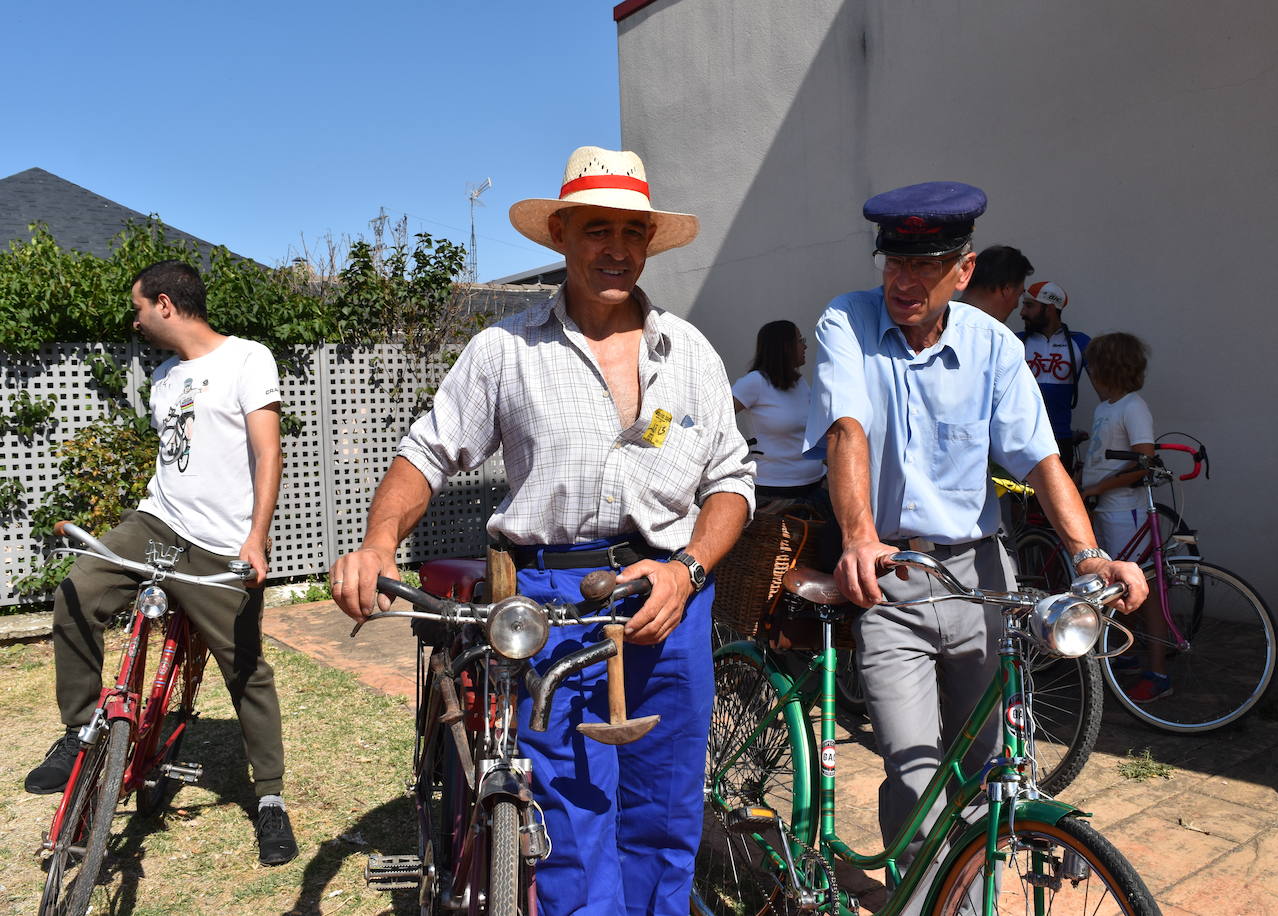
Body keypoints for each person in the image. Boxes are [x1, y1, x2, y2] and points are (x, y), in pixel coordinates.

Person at [329, 146, 753, 916]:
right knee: (567, 815)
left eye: (632, 231)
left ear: (649, 242)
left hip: (670, 596)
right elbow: (426, 453)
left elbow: (731, 481)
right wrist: (379, 543)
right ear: (561, 235)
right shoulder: (507, 351)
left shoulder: (690, 352)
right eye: (597, 229)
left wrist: (689, 568)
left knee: (666, 816)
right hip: (555, 602)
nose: (616, 249)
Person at [804, 182, 1146, 907]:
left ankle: (971, 897)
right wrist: (860, 538)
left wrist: (1089, 556)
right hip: (890, 574)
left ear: (963, 271)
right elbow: (847, 429)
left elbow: (1039, 457)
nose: (903, 280)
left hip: (979, 574)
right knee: (915, 767)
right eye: (893, 261)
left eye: (925, 264)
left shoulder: (992, 343)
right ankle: (925, 899)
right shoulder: (848, 321)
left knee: (989, 765)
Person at [26, 259, 296, 865]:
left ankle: (271, 797)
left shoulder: (248, 360)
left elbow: (266, 450)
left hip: (222, 542)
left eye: (140, 307)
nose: (136, 319)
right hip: (155, 523)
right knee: (75, 593)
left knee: (246, 670)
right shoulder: (166, 377)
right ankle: (80, 730)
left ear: (167, 305)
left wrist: (257, 538)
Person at [1079, 332, 1168, 701]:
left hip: (1126, 511)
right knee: (1116, 587)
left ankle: (1159, 672)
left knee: (1143, 590)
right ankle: (1128, 653)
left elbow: (1145, 461)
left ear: (1105, 370)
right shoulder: (1105, 408)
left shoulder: (1133, 407)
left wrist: (1101, 488)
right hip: (1107, 512)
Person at [732, 319, 826, 511]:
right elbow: (718, 417)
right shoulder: (755, 382)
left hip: (816, 485)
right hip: (774, 493)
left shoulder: (799, 383)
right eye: (800, 340)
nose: (805, 346)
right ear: (785, 347)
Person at [1017, 280, 1091, 469]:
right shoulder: (1015, 341)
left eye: (1029, 305)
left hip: (1060, 439)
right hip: (1019, 439)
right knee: (1018, 498)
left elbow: (1109, 389)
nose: (1022, 313)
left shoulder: (1080, 342)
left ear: (1049, 308)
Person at [962, 244, 1034, 322]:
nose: (1016, 305)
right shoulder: (996, 332)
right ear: (1006, 289)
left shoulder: (948, 316)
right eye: (1018, 295)